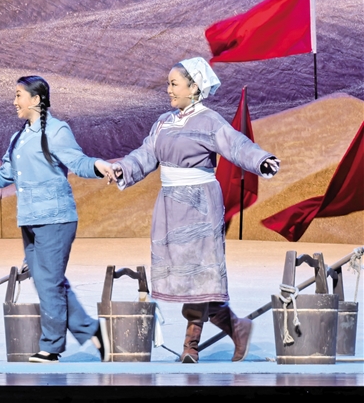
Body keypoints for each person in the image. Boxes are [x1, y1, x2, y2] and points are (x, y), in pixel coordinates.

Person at [103, 57, 280, 363]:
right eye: (169, 84)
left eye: (174, 83)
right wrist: (123, 168)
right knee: (189, 279)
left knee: (199, 275)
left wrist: (261, 159)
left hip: (200, 205)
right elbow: (146, 153)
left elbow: (236, 144)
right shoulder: (164, 121)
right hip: (170, 206)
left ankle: (191, 346)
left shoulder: (210, 121)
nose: (169, 89)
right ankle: (237, 328)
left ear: (194, 87)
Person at [0, 76, 113, 363]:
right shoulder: (19, 137)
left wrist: (98, 165)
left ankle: (51, 347)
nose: (14, 102)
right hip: (29, 219)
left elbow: (78, 162)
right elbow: (5, 174)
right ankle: (90, 329)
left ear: (36, 99)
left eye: (19, 95)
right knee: (48, 281)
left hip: (55, 218)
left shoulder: (56, 130)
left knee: (49, 283)